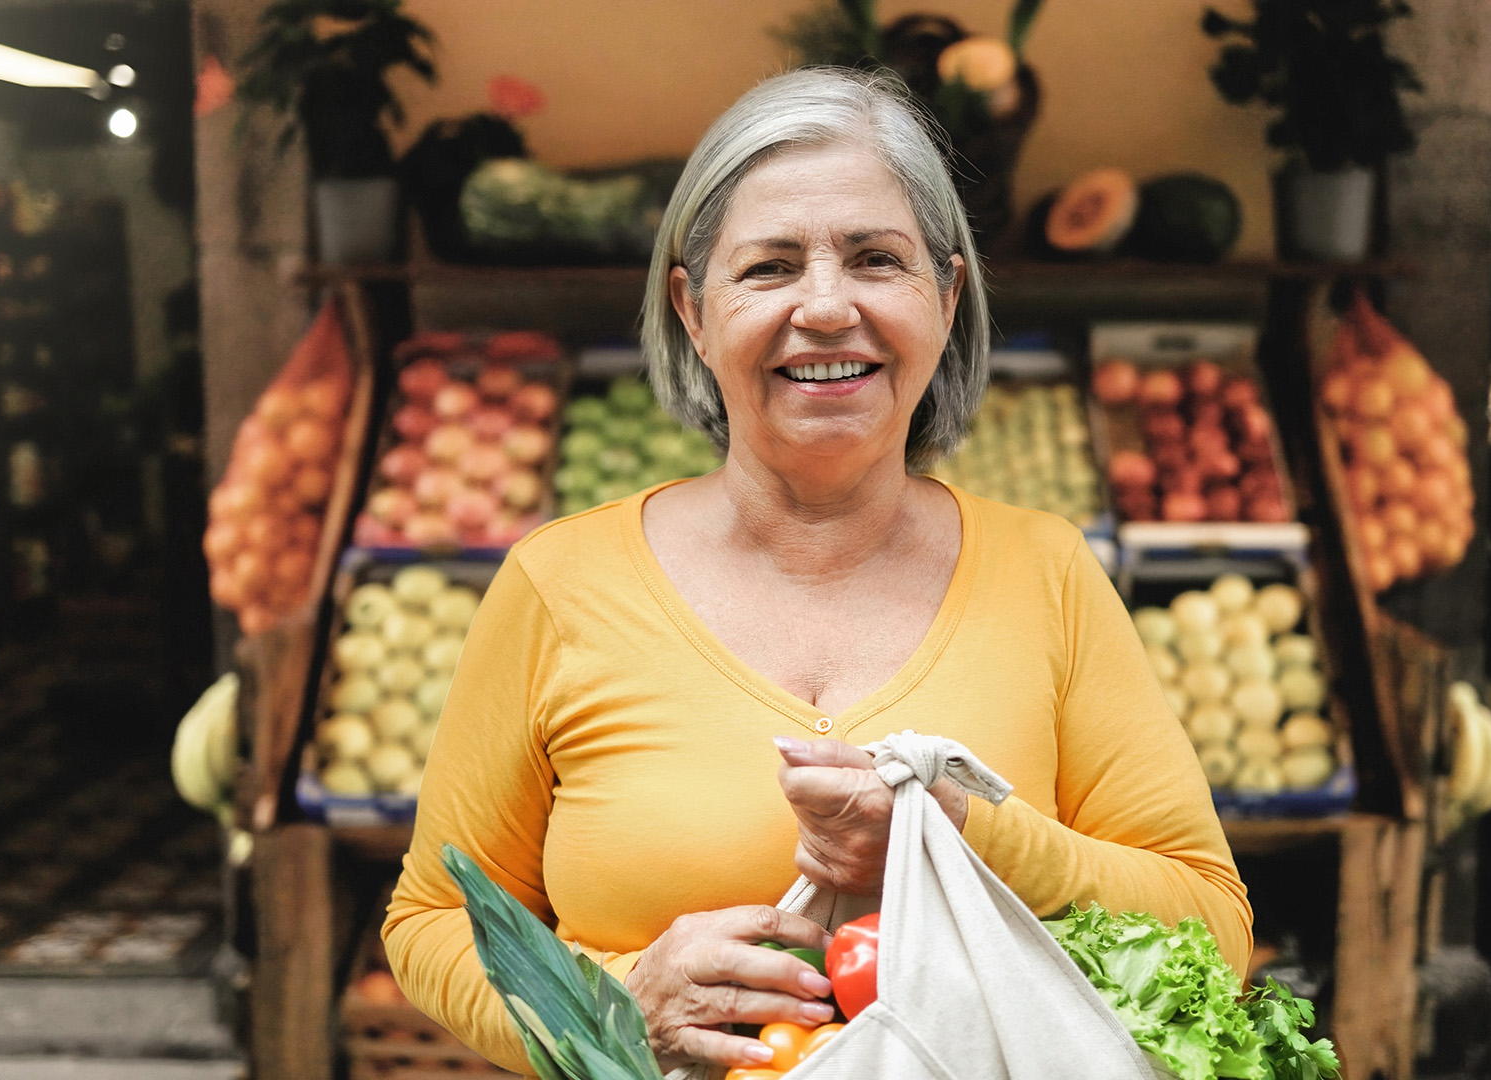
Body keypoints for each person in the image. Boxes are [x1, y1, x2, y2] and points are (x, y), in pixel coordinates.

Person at [383, 67, 1250, 1076]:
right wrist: (610, 1004)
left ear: (946, 294)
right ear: (694, 310)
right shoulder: (559, 585)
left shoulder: (1047, 575)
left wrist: (964, 840)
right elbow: (433, 919)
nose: (827, 307)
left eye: (877, 259)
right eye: (771, 267)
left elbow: (1211, 930)